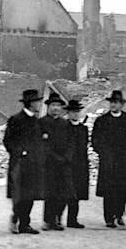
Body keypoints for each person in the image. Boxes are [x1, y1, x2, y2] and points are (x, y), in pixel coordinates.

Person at [92, 90, 126, 228]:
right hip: (108, 161)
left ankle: (119, 214)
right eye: (112, 102)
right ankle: (108, 218)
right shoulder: (102, 121)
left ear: (121, 105)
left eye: (116, 102)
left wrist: (124, 153)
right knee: (109, 191)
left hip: (123, 160)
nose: (113, 105)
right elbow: (95, 140)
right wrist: (103, 153)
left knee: (123, 190)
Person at [3, 89, 46, 235]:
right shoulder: (16, 119)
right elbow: (8, 141)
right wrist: (20, 152)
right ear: (30, 103)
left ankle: (24, 225)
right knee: (20, 196)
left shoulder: (36, 121)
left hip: (34, 164)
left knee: (31, 196)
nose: (39, 104)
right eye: (37, 102)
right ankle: (16, 218)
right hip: (20, 164)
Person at [40, 93, 75, 231]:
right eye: (53, 105)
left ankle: (58, 218)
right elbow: (42, 145)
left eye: (58, 106)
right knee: (50, 193)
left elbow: (72, 143)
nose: (56, 108)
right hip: (49, 164)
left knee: (64, 193)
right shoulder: (42, 123)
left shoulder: (65, 124)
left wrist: (67, 157)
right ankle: (48, 221)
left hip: (64, 164)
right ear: (48, 107)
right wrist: (54, 157)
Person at [64, 100, 89, 229]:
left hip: (80, 165)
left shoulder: (83, 129)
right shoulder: (63, 127)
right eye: (72, 112)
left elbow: (84, 146)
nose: (75, 114)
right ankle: (56, 219)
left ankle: (72, 220)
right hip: (66, 164)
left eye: (77, 112)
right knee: (64, 192)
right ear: (67, 113)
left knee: (77, 194)